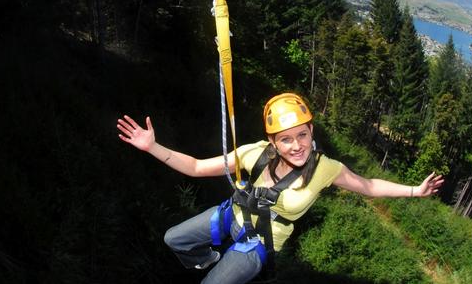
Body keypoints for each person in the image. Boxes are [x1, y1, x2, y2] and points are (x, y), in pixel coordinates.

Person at [117, 93, 444, 284]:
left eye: (302, 135)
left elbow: (369, 186)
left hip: (259, 244)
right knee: (173, 239)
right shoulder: (253, 153)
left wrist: (415, 190)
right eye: (286, 139)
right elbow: (197, 167)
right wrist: (153, 147)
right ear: (273, 141)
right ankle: (207, 256)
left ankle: (218, 263)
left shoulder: (325, 169)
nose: (297, 145)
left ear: (311, 130)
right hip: (231, 215)